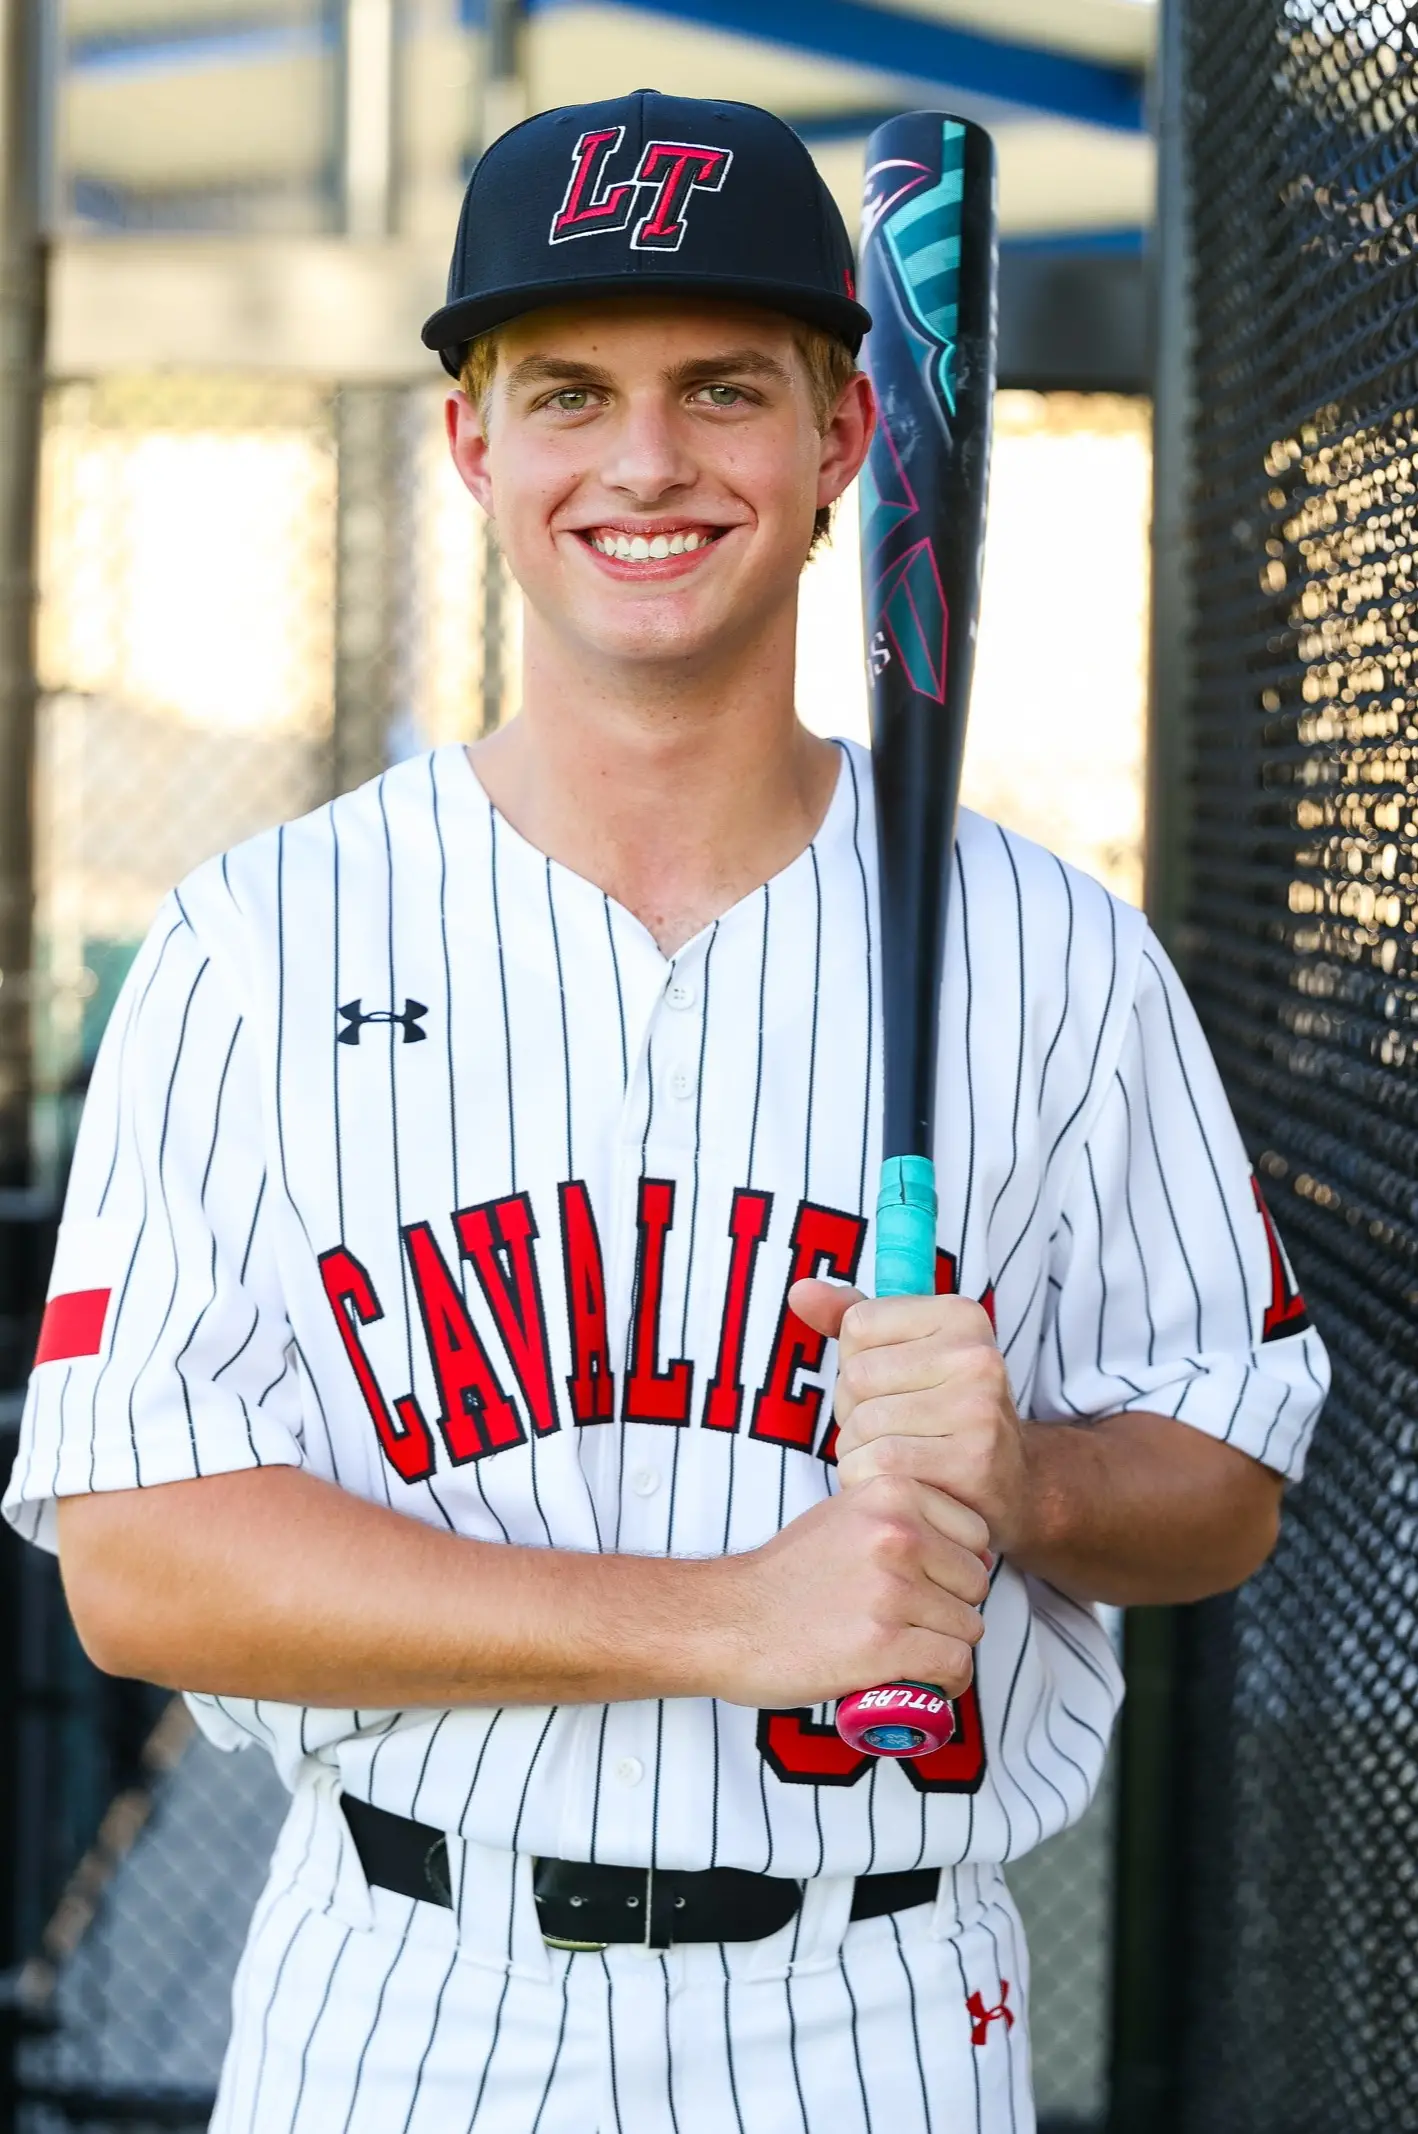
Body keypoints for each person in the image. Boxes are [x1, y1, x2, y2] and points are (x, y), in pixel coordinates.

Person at [4, 90, 1328, 2133]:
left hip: (875, 1995)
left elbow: (1220, 1478)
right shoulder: (256, 940)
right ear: (474, 444)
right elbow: (141, 1557)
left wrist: (1024, 1477)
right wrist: (722, 1618)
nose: (644, 461)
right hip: (404, 1987)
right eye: (569, 393)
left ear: (843, 435)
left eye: (721, 387)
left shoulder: (1052, 948)